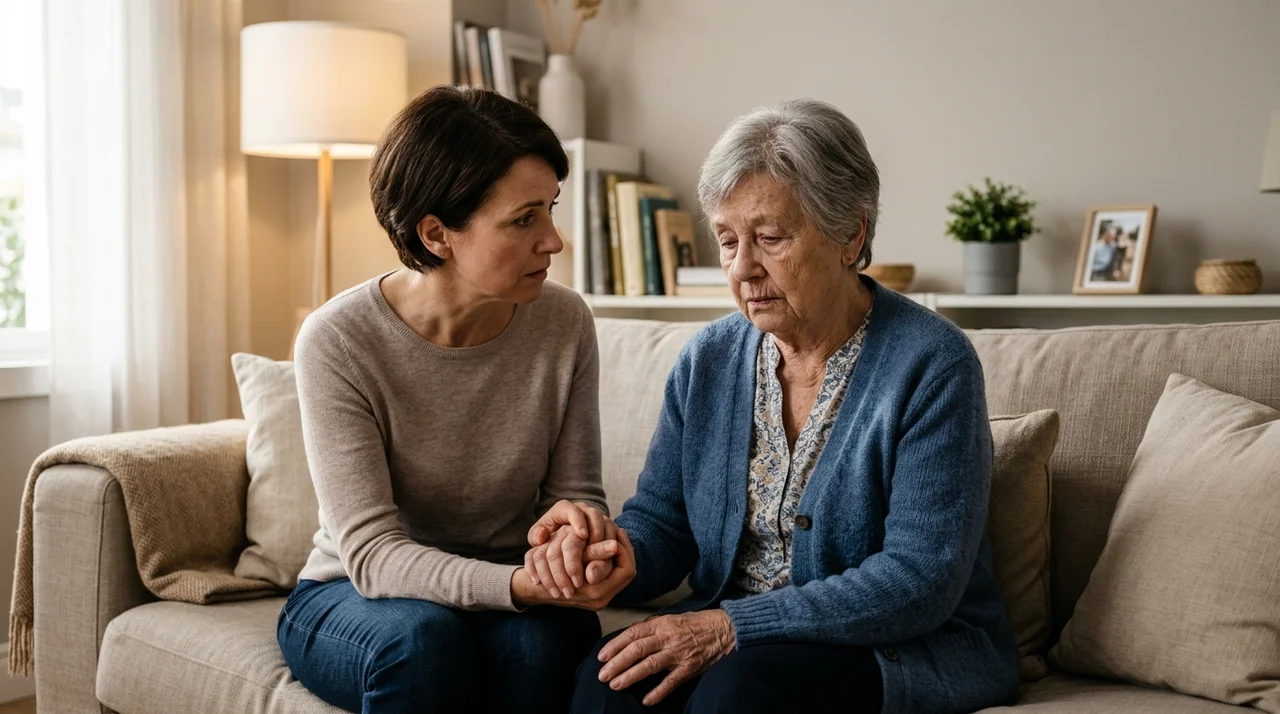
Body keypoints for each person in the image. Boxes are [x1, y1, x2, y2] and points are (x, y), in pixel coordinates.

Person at [529, 99, 1020, 714]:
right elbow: (663, 522)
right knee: (609, 681)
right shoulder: (707, 359)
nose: (743, 269)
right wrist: (612, 555)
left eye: (770, 238)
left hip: (890, 643)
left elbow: (920, 579)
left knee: (741, 691)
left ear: (851, 235)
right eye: (727, 241)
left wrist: (732, 627)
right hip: (740, 637)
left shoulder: (933, 363)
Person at [277, 85, 636, 714]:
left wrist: (577, 540)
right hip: (356, 595)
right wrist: (520, 585)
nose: (553, 241)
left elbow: (574, 494)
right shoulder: (338, 339)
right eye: (524, 219)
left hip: (509, 584)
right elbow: (373, 557)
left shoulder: (564, 321)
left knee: (548, 645)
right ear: (437, 234)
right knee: (423, 642)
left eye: (550, 209)